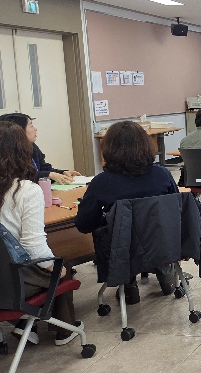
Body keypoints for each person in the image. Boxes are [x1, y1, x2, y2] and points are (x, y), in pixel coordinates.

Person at [75, 121, 180, 304]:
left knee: (114, 232)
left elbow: (84, 224)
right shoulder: (162, 174)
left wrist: (109, 219)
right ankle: (164, 271)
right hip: (160, 244)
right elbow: (175, 210)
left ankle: (128, 283)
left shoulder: (102, 182)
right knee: (154, 230)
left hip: (122, 249)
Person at [0, 121, 82, 346]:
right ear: (23, 151)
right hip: (13, 283)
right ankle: (64, 330)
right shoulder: (26, 191)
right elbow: (34, 248)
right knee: (60, 267)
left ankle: (26, 326)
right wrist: (58, 267)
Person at [0, 113, 82, 184]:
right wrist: (48, 175)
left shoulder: (31, 146)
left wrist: (62, 173)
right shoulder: (6, 153)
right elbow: (19, 177)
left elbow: (43, 168)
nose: (35, 129)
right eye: (31, 126)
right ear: (18, 130)